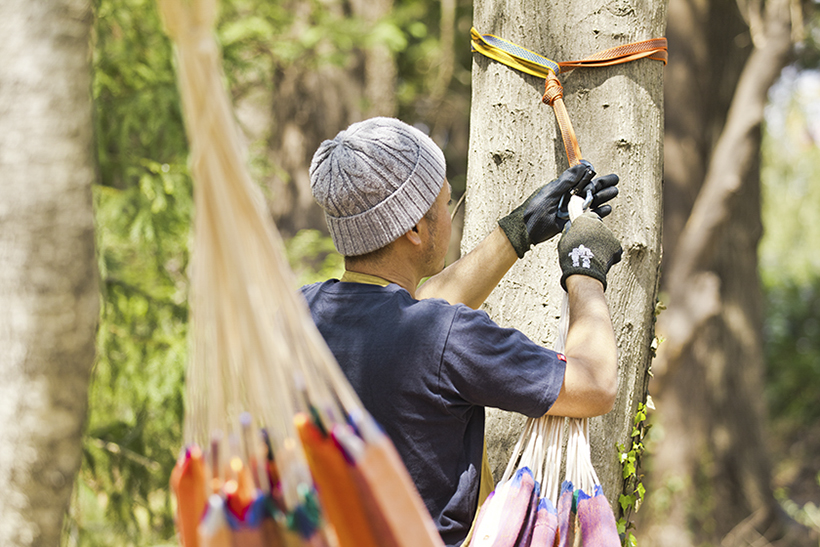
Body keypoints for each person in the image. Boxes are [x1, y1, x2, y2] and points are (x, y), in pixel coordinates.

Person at [300, 117, 622, 547]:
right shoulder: (447, 338)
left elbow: (409, 315)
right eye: (445, 203)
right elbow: (596, 385)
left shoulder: (299, 315)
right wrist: (585, 269)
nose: (450, 215)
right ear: (415, 229)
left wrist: (521, 229)